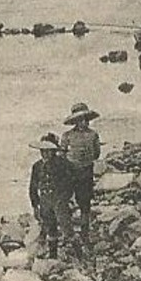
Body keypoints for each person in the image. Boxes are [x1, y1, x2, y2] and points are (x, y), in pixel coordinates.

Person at [60, 103, 102, 250]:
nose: (83, 122)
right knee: (66, 201)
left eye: (84, 119)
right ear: (75, 122)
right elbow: (61, 154)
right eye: (79, 120)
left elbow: (97, 153)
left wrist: (85, 161)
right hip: (70, 173)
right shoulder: (67, 136)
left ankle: (84, 233)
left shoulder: (93, 135)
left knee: (85, 203)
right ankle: (68, 233)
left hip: (86, 172)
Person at [27, 133, 76, 259]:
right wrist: (35, 205)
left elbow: (70, 183)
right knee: (50, 228)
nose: (45, 154)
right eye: (43, 151)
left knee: (67, 228)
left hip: (59, 201)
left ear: (54, 151)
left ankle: (80, 254)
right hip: (45, 202)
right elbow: (33, 187)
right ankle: (53, 256)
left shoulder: (62, 164)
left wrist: (66, 198)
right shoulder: (37, 166)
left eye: (48, 151)